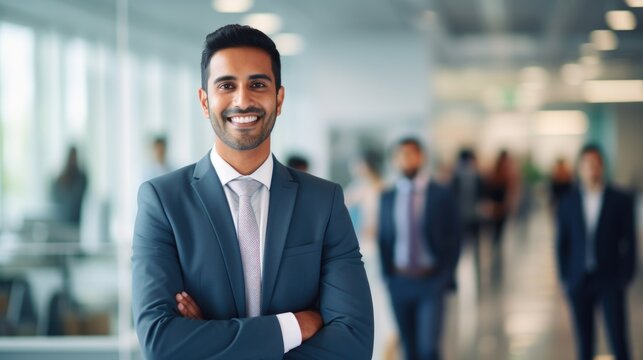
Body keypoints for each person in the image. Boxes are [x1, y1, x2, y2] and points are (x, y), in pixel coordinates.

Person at [131, 24, 373, 359]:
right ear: (205, 102)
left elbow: (354, 342)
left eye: (257, 84)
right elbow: (160, 342)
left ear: (279, 98)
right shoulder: (163, 202)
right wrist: (291, 327)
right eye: (226, 85)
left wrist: (210, 339)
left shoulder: (324, 202)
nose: (242, 100)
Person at [378, 138, 460, 360]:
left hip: (431, 280)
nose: (406, 159)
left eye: (411, 154)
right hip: (400, 281)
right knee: (409, 348)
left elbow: (454, 237)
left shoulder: (440, 194)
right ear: (395, 160)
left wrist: (445, 276)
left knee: (428, 349)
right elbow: (384, 239)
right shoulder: (387, 197)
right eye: (401, 155)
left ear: (421, 157)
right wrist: (388, 277)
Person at [556, 144, 637, 360]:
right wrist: (565, 277)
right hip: (579, 280)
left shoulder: (620, 200)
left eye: (596, 164)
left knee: (619, 341)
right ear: (579, 168)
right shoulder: (568, 203)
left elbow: (630, 241)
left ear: (602, 167)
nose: (592, 168)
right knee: (584, 344)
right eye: (587, 164)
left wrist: (627, 274)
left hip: (610, 279)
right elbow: (562, 244)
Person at [50, 146, 88, 225]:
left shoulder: (81, 178)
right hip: (62, 220)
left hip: (76, 220)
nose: (73, 159)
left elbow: (76, 199)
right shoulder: (60, 178)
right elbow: (55, 197)